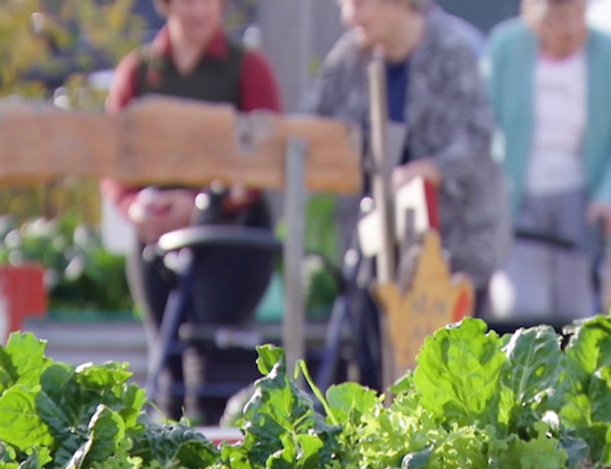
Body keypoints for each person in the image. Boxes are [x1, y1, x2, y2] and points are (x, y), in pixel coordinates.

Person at [304, 0, 512, 390]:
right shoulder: (350, 58)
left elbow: (477, 140)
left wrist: (427, 171)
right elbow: (313, 130)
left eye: (360, 4)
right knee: (374, 370)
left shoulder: (454, 51)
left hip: (454, 243)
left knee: (451, 376)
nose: (349, 16)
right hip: (374, 248)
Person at [100, 0, 282, 424]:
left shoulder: (247, 69)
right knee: (167, 363)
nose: (200, 9)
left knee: (216, 358)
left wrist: (202, 203)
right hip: (158, 235)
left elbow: (266, 157)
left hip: (231, 236)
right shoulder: (139, 71)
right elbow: (112, 160)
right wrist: (135, 208)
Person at [482, 0, 611, 320]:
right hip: (519, 201)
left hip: (583, 202)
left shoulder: (610, 55)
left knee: (578, 319)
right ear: (532, 19)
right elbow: (480, 125)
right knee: (524, 316)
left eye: (577, 15)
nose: (570, 28)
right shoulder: (505, 48)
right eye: (557, 19)